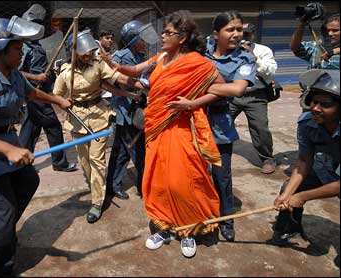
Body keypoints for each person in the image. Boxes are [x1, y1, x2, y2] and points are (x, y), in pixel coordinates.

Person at [101, 10, 225, 258]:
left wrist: (194, 103)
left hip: (181, 130)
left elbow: (221, 87)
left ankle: (187, 231)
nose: (162, 35)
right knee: (159, 181)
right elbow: (135, 70)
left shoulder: (197, 63)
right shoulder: (160, 58)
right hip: (157, 128)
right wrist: (112, 64)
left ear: (183, 37)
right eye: (164, 30)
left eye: (168, 32)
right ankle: (164, 227)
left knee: (184, 182)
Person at [0, 16, 72, 276]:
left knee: (29, 181)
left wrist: (57, 100)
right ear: (0, 50)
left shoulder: (14, 74)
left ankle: (2, 230)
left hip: (8, 141)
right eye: (17, 48)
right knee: (3, 213)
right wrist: (8, 150)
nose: (23, 52)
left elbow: (32, 93)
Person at [167, 11, 256, 243]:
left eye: (239, 29)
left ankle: (226, 220)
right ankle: (195, 217)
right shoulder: (200, 50)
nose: (237, 34)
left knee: (221, 177)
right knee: (192, 176)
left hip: (219, 126)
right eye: (230, 29)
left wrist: (200, 88)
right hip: (189, 123)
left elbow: (237, 90)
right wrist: (217, 86)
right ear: (216, 34)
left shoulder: (244, 59)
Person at [52, 29, 144, 224]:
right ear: (74, 51)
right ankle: (95, 184)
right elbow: (56, 96)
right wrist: (63, 103)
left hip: (99, 116)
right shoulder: (66, 72)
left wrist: (140, 85)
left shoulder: (98, 64)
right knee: (85, 162)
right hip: (77, 120)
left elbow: (119, 79)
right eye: (83, 51)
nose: (88, 54)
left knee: (97, 160)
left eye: (89, 51)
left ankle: (97, 202)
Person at [271, 69, 340, 246]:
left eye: (325, 104)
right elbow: (303, 161)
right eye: (314, 102)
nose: (316, 108)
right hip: (328, 167)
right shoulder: (307, 122)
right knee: (290, 187)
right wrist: (287, 195)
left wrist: (302, 197)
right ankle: (287, 229)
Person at [18, 3, 77, 172]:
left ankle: (21, 162)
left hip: (40, 92)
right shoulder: (24, 47)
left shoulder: (36, 44)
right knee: (53, 127)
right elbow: (16, 72)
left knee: (31, 128)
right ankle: (59, 162)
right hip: (35, 91)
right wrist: (36, 76)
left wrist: (49, 70)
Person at [106, 20, 157, 200]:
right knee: (137, 151)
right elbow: (111, 80)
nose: (145, 42)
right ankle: (143, 186)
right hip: (125, 110)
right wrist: (135, 89)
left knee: (122, 150)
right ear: (133, 40)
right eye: (141, 39)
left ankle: (113, 184)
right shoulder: (119, 57)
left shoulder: (142, 57)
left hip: (138, 109)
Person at [230, 23, 278, 174]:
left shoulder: (263, 50)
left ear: (253, 35)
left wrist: (253, 56)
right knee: (219, 123)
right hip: (232, 95)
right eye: (240, 34)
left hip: (256, 96)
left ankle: (267, 158)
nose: (242, 38)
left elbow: (270, 72)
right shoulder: (230, 49)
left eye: (246, 34)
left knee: (260, 128)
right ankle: (211, 156)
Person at [291, 13, 339, 110]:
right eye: (328, 30)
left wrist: (334, 51)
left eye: (335, 31)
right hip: (314, 103)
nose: (330, 34)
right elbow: (295, 48)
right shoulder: (317, 46)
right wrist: (302, 24)